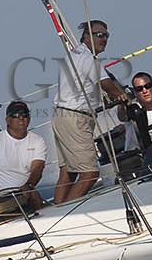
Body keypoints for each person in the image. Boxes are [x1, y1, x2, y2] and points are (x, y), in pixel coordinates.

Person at [52, 20, 127, 204]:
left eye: (106, 35)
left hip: (62, 117)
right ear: (86, 36)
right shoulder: (88, 58)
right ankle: (67, 214)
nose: (104, 38)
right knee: (90, 173)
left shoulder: (75, 55)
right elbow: (107, 85)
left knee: (68, 172)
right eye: (99, 35)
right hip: (75, 119)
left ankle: (56, 211)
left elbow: (86, 87)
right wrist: (123, 96)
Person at [0, 101, 46, 214]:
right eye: (16, 115)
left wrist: (29, 185)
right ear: (8, 120)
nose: (21, 118)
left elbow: (38, 168)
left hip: (24, 193)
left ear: (29, 118)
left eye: (25, 114)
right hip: (0, 198)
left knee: (34, 195)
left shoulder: (38, 141)